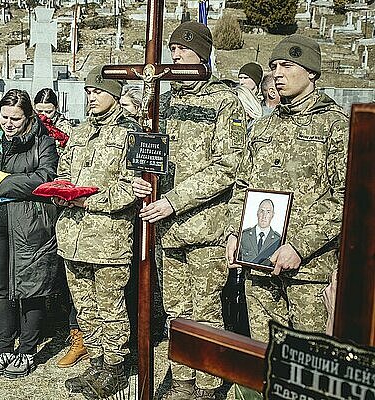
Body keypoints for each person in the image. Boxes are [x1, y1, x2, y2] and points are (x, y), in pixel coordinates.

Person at [132, 21, 247, 400]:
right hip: (167, 228)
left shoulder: (223, 101)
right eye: (173, 50)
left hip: (204, 227)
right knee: (177, 316)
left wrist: (174, 200)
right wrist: (140, 181)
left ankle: (209, 385)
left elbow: (229, 164)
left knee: (206, 313)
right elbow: (146, 152)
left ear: (202, 54)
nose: (175, 57)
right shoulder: (162, 101)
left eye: (183, 50)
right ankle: (182, 382)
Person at [225, 35, 349, 343]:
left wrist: (299, 246)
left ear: (311, 72)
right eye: (274, 66)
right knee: (267, 356)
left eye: (287, 65)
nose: (277, 73)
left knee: (307, 364)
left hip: (309, 271)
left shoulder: (336, 125)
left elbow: (345, 198)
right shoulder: (264, 126)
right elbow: (243, 185)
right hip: (259, 264)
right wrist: (233, 232)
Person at [55, 66, 142, 398]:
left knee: (110, 307)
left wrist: (88, 199)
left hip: (108, 239)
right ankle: (95, 362)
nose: (91, 97)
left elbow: (133, 189)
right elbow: (63, 171)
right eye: (88, 92)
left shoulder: (131, 135)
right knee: (85, 307)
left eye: (98, 92)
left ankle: (115, 368)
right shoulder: (78, 133)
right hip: (72, 237)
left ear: (115, 94)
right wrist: (62, 191)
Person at [0, 88, 61, 379]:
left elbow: (46, 177)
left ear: (28, 117)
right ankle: (4, 346)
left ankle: (28, 349)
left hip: (30, 226)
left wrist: (5, 183)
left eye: (15, 119)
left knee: (30, 288)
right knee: (2, 286)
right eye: (4, 117)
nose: (8, 123)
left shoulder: (42, 142)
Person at [32, 87, 85, 368]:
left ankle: (77, 334)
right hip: (36, 207)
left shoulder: (69, 133)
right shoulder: (28, 129)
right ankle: (41, 325)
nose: (43, 117)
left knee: (68, 277)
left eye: (48, 112)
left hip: (62, 207)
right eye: (39, 111)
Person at [238, 199, 281, 266]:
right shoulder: (244, 235)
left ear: (272, 215)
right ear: (257, 213)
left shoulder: (277, 240)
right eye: (262, 211)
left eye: (268, 212)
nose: (264, 216)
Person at [33, 88, 73, 154]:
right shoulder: (30, 122)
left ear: (56, 107)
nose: (44, 115)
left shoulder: (64, 127)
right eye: (39, 111)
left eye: (48, 112)